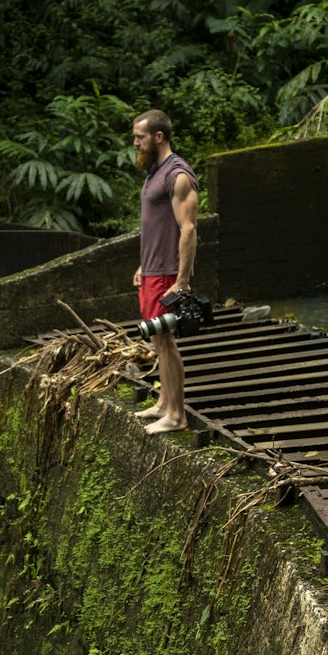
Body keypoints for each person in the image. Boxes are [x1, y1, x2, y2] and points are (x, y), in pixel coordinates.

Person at [131, 109, 199, 434]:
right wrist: (144, 266)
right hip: (151, 271)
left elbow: (188, 229)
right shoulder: (155, 173)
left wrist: (182, 281)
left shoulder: (178, 174)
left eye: (140, 138)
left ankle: (176, 415)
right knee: (158, 340)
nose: (136, 143)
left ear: (158, 136)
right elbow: (157, 227)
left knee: (167, 341)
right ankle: (163, 402)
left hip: (167, 275)